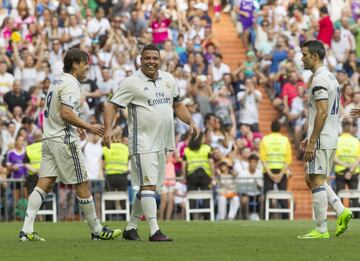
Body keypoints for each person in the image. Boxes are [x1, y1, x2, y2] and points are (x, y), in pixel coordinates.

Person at [19, 48, 121, 241]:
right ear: (75, 64)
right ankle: (97, 230)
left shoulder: (57, 80)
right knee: (82, 182)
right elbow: (65, 113)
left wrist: (76, 124)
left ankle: (26, 230)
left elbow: (60, 112)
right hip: (64, 140)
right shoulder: (72, 84)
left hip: (49, 138)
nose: (88, 68)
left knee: (45, 183)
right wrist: (88, 125)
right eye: (85, 65)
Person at [103, 44, 199, 241]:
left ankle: (131, 228)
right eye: (147, 58)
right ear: (141, 60)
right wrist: (109, 130)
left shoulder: (168, 79)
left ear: (160, 60)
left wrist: (190, 121)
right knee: (148, 186)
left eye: (155, 58)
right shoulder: (131, 82)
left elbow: (178, 104)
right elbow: (111, 106)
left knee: (150, 187)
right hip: (142, 142)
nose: (151, 62)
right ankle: (154, 230)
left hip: (162, 142)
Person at [298, 40, 352, 239]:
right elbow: (327, 113)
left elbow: (321, 112)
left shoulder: (319, 80)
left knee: (315, 179)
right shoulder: (331, 77)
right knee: (311, 178)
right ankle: (341, 210)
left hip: (321, 139)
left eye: (304, 54)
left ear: (315, 56)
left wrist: (312, 141)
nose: (301, 58)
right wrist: (309, 136)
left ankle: (321, 229)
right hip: (329, 136)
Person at [259, 120, 291, 219]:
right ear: (280, 128)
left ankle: (265, 217)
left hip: (268, 171)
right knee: (283, 195)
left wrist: (271, 174)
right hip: (282, 170)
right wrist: (281, 174)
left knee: (267, 195)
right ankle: (286, 217)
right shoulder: (285, 140)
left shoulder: (265, 139)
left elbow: (263, 159)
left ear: (270, 128)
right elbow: (288, 159)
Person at [334, 120, 360, 212]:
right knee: (354, 197)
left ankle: (340, 216)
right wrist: (350, 170)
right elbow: (358, 158)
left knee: (339, 197)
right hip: (353, 172)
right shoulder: (356, 141)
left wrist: (345, 166)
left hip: (340, 171)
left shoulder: (337, 140)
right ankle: (357, 218)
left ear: (342, 127)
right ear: (350, 128)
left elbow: (334, 158)